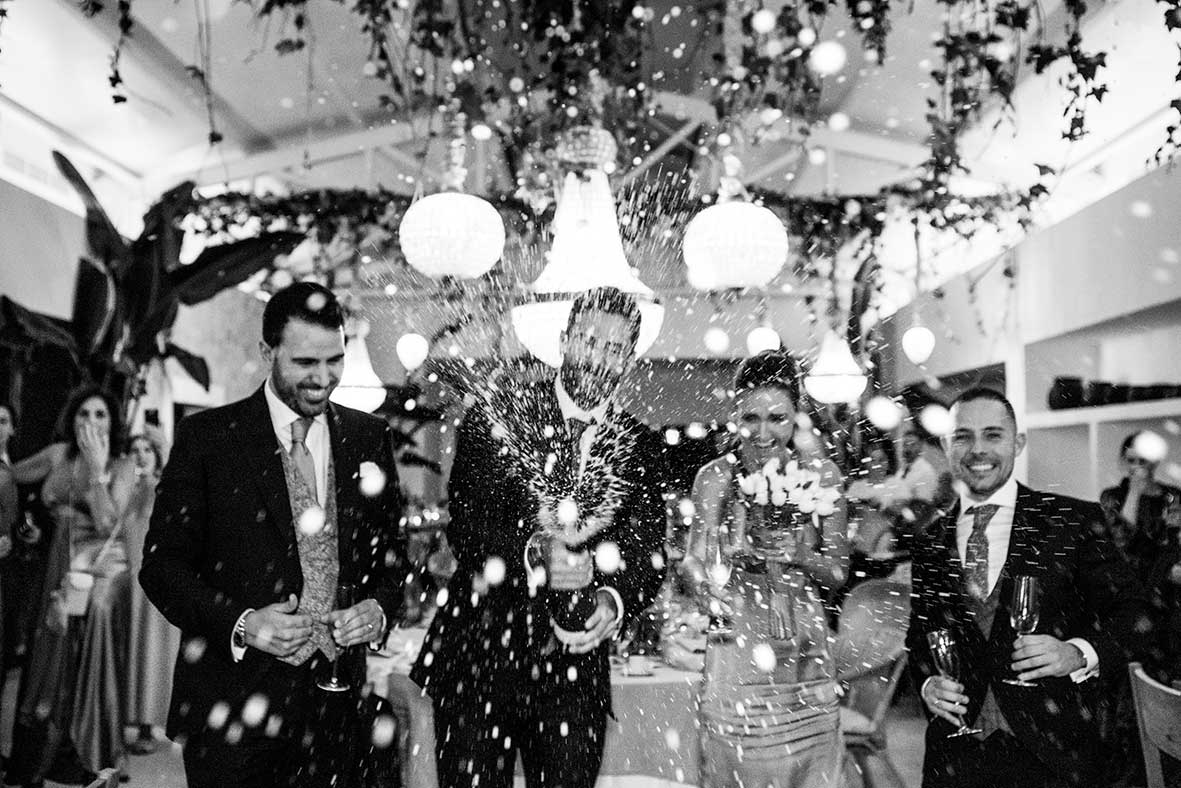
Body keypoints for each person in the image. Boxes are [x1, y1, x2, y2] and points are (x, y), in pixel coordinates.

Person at [139, 281, 406, 788]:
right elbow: (162, 567)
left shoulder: (369, 439)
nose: (323, 378)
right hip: (232, 708)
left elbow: (391, 556)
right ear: (267, 352)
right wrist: (242, 623)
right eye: (305, 362)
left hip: (336, 711)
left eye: (335, 360)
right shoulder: (208, 440)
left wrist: (379, 608)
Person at [410, 286, 669, 788]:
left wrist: (614, 601)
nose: (598, 359)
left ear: (629, 359)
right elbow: (468, 523)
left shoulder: (637, 443)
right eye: (590, 342)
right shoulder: (498, 416)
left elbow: (648, 555)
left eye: (615, 350)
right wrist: (534, 552)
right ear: (566, 339)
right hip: (478, 660)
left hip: (575, 680)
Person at [907, 387, 1152, 788]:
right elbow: (919, 638)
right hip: (956, 759)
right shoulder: (929, 541)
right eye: (963, 436)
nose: (977, 450)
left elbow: (1138, 615)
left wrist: (1076, 653)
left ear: (1018, 442)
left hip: (1056, 756)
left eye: (993, 435)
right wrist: (928, 684)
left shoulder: (1072, 521)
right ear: (946, 446)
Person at [681, 350, 848, 788]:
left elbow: (837, 572)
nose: (762, 432)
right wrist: (704, 588)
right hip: (738, 645)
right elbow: (694, 557)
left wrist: (799, 553)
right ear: (735, 413)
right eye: (751, 417)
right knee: (733, 771)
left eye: (777, 418)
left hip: (805, 654)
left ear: (798, 415)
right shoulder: (715, 476)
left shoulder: (822, 475)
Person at [6, 386, 137, 786]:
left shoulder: (123, 464)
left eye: (100, 415)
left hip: (93, 573)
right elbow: (10, 475)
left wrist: (98, 472)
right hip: (50, 563)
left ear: (113, 423)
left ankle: (77, 756)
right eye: (84, 414)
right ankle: (31, 761)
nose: (91, 423)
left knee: (77, 661)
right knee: (43, 658)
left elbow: (107, 525)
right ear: (72, 419)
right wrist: (21, 524)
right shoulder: (58, 454)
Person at [120, 431, 179, 755]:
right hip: (126, 580)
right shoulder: (124, 486)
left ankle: (146, 724)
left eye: (147, 449)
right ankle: (120, 719)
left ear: (157, 454)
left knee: (151, 653)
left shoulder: (165, 487)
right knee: (124, 648)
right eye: (134, 449)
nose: (141, 455)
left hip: (154, 581)